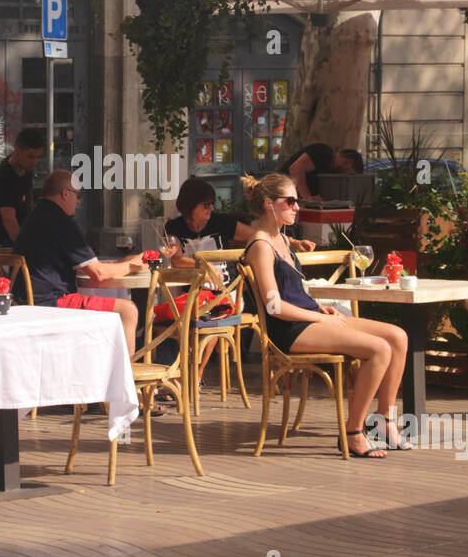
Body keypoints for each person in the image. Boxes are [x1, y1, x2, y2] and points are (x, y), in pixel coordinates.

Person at [240, 173, 408, 458]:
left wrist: (319, 309)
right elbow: (274, 306)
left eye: (297, 201)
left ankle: (383, 422)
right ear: (269, 204)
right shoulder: (260, 246)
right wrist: (319, 318)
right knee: (378, 349)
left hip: (308, 317)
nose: (297, 207)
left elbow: (292, 289)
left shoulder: (280, 238)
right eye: (290, 201)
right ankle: (353, 433)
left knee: (398, 337)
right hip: (290, 329)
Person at [13, 170, 145, 354]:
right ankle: (128, 379)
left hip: (24, 301)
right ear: (65, 193)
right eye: (78, 195)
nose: (79, 201)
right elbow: (98, 274)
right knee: (128, 310)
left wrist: (119, 264)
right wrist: (132, 264)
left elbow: (87, 269)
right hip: (51, 303)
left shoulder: (36, 216)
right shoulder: (60, 221)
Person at [165, 177, 313, 266]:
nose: (211, 208)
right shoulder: (174, 227)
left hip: (226, 290)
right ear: (190, 204)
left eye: (212, 203)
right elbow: (177, 260)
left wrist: (294, 242)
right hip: (192, 292)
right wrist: (203, 265)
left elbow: (261, 235)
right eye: (206, 205)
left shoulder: (220, 222)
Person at [0, 128, 45, 248]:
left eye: (38, 157)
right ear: (17, 150)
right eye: (31, 157)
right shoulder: (4, 177)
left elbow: (28, 204)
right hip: (1, 240)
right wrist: (26, 247)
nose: (35, 162)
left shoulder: (26, 171)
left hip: (14, 236)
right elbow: (8, 220)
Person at [277, 143, 346, 202]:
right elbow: (296, 169)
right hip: (281, 194)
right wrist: (307, 197)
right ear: (349, 162)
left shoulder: (329, 166)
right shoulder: (325, 152)